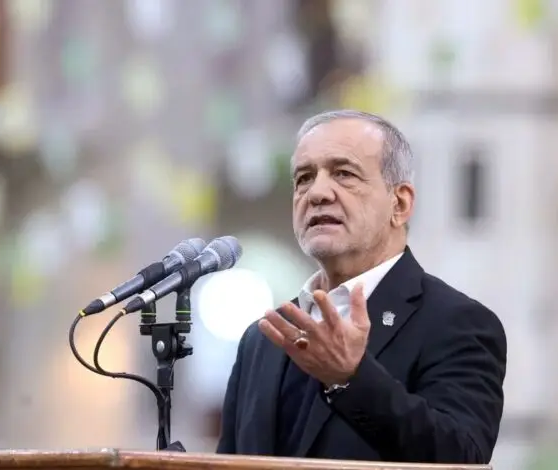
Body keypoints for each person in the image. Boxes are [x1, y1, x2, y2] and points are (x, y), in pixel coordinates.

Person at [216, 110, 507, 464]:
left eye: (344, 174)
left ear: (400, 203)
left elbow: (461, 457)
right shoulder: (262, 339)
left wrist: (351, 380)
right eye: (304, 178)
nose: (317, 193)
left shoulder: (457, 324)